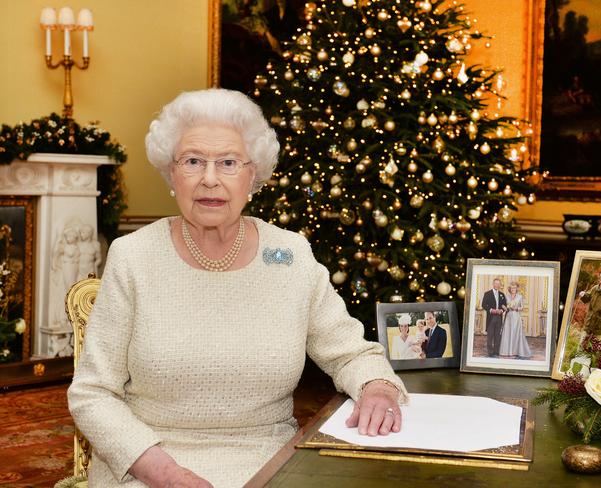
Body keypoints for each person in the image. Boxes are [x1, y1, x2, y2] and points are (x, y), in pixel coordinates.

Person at [67, 88, 408, 488]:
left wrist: (378, 388)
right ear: (171, 174)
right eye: (193, 161)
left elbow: (350, 353)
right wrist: (163, 472)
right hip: (148, 466)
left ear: (254, 175)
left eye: (228, 162)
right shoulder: (134, 257)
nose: (209, 179)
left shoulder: (290, 255)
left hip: (270, 462)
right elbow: (93, 393)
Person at [498, 282, 531, 359]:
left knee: (515, 333)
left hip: (516, 317)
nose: (513, 289)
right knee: (508, 333)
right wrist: (506, 307)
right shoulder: (507, 296)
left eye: (515, 288)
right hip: (509, 316)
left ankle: (515, 351)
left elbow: (522, 307)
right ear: (510, 289)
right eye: (512, 288)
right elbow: (504, 305)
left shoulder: (520, 297)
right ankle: (506, 351)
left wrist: (516, 308)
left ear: (517, 289)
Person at [578, 271, 601, 336]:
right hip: (589, 321)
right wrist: (583, 295)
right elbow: (587, 298)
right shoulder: (594, 289)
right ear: (600, 280)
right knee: (582, 343)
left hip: (599, 324)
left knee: (594, 345)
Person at [481, 278, 507, 357]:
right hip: (491, 317)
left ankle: (496, 351)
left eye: (498, 284)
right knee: (490, 335)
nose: (497, 285)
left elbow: (505, 305)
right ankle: (490, 352)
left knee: (497, 335)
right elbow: (484, 305)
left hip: (499, 317)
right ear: (493, 284)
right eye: (496, 283)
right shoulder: (487, 293)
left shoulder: (502, 294)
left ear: (500, 285)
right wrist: (492, 310)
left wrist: (501, 311)